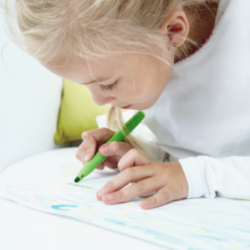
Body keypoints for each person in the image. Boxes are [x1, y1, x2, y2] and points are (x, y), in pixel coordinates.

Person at [3, 0, 250, 210]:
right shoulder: (148, 54)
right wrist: (145, 152)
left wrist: (197, 177)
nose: (97, 101)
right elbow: (193, 139)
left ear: (173, 31)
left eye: (107, 84)